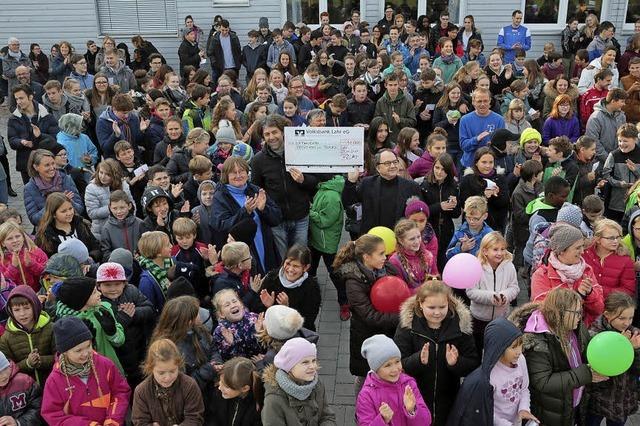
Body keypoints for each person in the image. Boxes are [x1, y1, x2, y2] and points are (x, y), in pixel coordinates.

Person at [509, 288, 606, 426]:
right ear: (560, 312)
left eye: (581, 311)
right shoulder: (538, 340)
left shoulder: (577, 328)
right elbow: (543, 382)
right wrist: (586, 374)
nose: (580, 316)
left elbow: (587, 353)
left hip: (572, 405)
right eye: (576, 313)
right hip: (551, 412)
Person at [394, 280, 479, 426]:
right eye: (431, 307)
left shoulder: (460, 328)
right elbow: (397, 364)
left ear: (449, 303)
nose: (437, 312)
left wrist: (456, 363)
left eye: (442, 307)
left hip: (449, 399)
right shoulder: (407, 327)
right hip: (416, 397)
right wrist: (418, 360)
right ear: (420, 304)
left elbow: (473, 364)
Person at [332, 234, 400, 391]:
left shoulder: (385, 269)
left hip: (386, 329)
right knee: (365, 376)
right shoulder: (353, 281)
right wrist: (400, 317)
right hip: (366, 335)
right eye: (381, 253)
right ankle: (360, 411)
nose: (386, 257)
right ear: (366, 257)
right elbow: (370, 316)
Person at [447, 317, 538, 426]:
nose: (519, 351)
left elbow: (524, 389)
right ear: (498, 347)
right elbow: (486, 411)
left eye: (520, 345)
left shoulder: (521, 359)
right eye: (513, 347)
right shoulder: (488, 377)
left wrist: (524, 409)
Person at [41, 316, 130, 425]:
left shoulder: (105, 364)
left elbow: (121, 391)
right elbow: (52, 414)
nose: (86, 353)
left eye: (88, 346)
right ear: (64, 352)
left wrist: (113, 419)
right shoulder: (54, 380)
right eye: (78, 350)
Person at [252, 115, 316, 258]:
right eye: (267, 134)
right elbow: (256, 188)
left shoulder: (300, 153)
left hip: (300, 216)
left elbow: (314, 183)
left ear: (283, 132)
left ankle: (300, 280)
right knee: (282, 258)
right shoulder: (258, 161)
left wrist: (303, 179)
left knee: (300, 257)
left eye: (274, 132)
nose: (271, 137)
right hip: (276, 219)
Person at [213, 156, 282, 274]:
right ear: (226, 176)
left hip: (265, 246)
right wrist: (245, 212)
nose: (238, 175)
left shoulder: (255, 190)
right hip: (241, 255)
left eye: (241, 171)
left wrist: (264, 209)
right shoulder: (220, 197)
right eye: (234, 173)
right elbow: (221, 226)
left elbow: (277, 218)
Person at [530, 224, 604, 325]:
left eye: (583, 246)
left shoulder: (586, 270)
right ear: (561, 251)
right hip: (553, 332)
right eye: (577, 248)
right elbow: (543, 311)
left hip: (581, 330)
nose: (582, 252)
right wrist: (578, 296)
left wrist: (590, 293)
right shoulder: (542, 275)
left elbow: (599, 309)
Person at [96, 262, 155, 388]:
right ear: (99, 286)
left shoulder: (132, 291)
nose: (113, 289)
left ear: (124, 283)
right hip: (117, 356)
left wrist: (134, 314)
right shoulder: (97, 302)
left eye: (117, 284)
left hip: (139, 349)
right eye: (107, 285)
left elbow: (149, 309)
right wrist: (123, 318)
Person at [587, 292, 640, 426]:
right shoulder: (595, 334)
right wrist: (626, 348)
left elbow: (637, 368)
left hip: (623, 400)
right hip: (599, 399)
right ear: (607, 314)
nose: (627, 323)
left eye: (631, 318)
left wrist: (636, 350)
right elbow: (605, 366)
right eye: (621, 318)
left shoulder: (634, 334)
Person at [356, 334, 432, 425]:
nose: (395, 369)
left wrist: (412, 410)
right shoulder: (366, 395)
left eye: (397, 361)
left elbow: (426, 422)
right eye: (388, 365)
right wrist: (382, 420)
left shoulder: (408, 384)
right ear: (376, 369)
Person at [343, 149, 421, 234]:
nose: (392, 166)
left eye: (395, 162)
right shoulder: (367, 183)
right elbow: (348, 202)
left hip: (401, 237)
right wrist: (351, 182)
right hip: (373, 237)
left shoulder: (411, 186)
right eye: (387, 163)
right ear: (378, 168)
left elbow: (420, 213)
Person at [261, 337, 335, 425]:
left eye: (313, 360)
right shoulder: (274, 400)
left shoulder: (317, 383)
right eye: (305, 362)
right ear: (289, 367)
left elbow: (327, 416)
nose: (313, 366)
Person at [131, 338, 205, 425]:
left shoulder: (189, 385)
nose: (168, 377)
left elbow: (195, 418)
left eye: (173, 371)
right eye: (161, 373)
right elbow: (139, 422)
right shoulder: (141, 391)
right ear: (150, 368)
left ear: (178, 365)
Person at [466, 232, 519, 350]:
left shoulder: (509, 266)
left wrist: (505, 296)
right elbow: (471, 292)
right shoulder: (476, 267)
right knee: (478, 347)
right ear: (485, 251)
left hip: (501, 318)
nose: (500, 253)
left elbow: (514, 287)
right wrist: (492, 297)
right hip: (479, 318)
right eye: (495, 249)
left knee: (497, 348)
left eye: (502, 249)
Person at [307, 177, 347, 317]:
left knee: (334, 272)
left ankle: (344, 303)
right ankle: (312, 290)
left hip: (326, 242)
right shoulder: (324, 187)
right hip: (317, 238)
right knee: (311, 268)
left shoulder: (331, 196)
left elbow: (325, 221)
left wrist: (309, 211)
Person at [0, 285, 55, 385]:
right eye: (16, 310)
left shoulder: (51, 328)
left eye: (27, 308)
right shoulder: (5, 339)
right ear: (10, 311)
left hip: (53, 385)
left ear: (35, 306)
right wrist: (27, 363)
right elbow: (8, 370)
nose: (22, 314)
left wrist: (41, 361)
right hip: (26, 392)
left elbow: (60, 358)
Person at [8, 85, 60, 184]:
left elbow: (55, 138)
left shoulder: (46, 115)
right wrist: (21, 142)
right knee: (31, 194)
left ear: (30, 97)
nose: (18, 102)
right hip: (26, 163)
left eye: (21, 98)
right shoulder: (14, 118)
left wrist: (40, 136)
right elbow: (12, 140)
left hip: (46, 163)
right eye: (16, 99)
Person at [23, 149, 83, 226]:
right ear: (36, 167)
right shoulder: (30, 188)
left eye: (53, 163)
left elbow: (80, 209)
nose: (52, 168)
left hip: (71, 226)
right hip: (48, 230)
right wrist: (53, 204)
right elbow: (34, 220)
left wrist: (70, 202)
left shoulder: (66, 179)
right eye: (47, 165)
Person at [459, 147, 510, 232]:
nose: (488, 166)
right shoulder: (468, 179)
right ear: (476, 162)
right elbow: (464, 203)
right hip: (473, 227)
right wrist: (483, 196)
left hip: (495, 227)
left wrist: (496, 195)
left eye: (491, 162)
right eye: (484, 162)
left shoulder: (500, 178)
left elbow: (505, 203)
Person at [583, 219, 635, 299]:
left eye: (618, 237)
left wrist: (599, 290)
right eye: (611, 238)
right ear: (598, 239)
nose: (615, 241)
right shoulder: (584, 255)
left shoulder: (625, 260)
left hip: (611, 307)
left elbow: (628, 290)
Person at [459, 88, 505, 169]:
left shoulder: (499, 120)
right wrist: (476, 139)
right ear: (473, 102)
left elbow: (501, 148)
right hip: (470, 165)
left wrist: (494, 145)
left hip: (490, 166)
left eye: (485, 101)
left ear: (490, 101)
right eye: (479, 101)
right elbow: (463, 146)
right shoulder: (465, 120)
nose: (482, 104)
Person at [211, 289, 263, 360]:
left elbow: (265, 344)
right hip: (242, 365)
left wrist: (259, 333)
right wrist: (230, 344)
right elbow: (224, 358)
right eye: (227, 305)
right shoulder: (220, 331)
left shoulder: (254, 318)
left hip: (261, 359)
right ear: (221, 314)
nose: (233, 306)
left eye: (234, 301)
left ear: (241, 304)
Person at [602, 124, 640, 220]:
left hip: (636, 203)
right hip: (616, 204)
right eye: (619, 141)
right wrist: (618, 183)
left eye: (625, 141)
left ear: (635, 139)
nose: (622, 144)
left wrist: (636, 170)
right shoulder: (614, 155)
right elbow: (606, 175)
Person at [388, 218, 438, 292]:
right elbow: (399, 290)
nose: (417, 241)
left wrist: (435, 283)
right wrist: (421, 290)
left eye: (418, 237)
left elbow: (435, 275)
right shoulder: (395, 261)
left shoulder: (428, 255)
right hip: (409, 300)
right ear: (401, 241)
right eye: (412, 239)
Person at [213, 357, 262, 426]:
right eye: (220, 381)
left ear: (244, 388)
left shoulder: (258, 409)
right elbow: (212, 417)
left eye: (226, 386)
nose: (219, 388)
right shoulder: (219, 394)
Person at [0, 221, 48, 291]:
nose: (15, 240)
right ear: (3, 243)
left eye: (18, 236)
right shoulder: (2, 261)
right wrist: (13, 267)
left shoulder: (36, 252)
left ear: (23, 237)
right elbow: (4, 286)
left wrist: (32, 264)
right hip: (15, 298)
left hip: (39, 292)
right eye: (9, 238)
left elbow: (47, 274)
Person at [96, 93, 146, 158]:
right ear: (114, 109)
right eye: (124, 113)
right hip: (115, 162)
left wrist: (142, 131)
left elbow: (138, 141)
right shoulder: (102, 122)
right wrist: (116, 135)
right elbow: (106, 149)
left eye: (129, 112)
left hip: (133, 157)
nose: (127, 116)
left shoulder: (133, 117)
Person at [585, 88, 628, 163]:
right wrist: (609, 159)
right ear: (613, 101)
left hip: (618, 160)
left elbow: (624, 136)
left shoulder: (621, 116)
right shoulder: (595, 118)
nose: (624, 104)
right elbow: (593, 141)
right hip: (599, 162)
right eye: (622, 101)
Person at [0, 350, 42, 425]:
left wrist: (18, 422)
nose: (4, 375)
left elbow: (39, 408)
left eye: (5, 368)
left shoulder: (25, 382)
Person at [374, 72, 416, 144]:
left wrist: (400, 120)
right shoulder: (380, 102)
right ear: (385, 85)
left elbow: (413, 122)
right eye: (390, 85)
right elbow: (376, 121)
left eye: (395, 85)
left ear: (398, 85)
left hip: (402, 140)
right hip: (385, 141)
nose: (393, 87)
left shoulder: (407, 102)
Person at [137, 230, 173, 313]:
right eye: (168, 245)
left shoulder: (172, 262)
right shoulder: (146, 281)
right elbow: (149, 308)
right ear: (158, 252)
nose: (171, 246)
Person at [207, 19, 242, 85]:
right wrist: (214, 63)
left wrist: (239, 61)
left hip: (233, 67)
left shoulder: (234, 37)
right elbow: (210, 52)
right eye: (223, 30)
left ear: (229, 28)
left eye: (226, 30)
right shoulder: (215, 39)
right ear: (220, 28)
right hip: (220, 67)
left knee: (234, 85)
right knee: (221, 85)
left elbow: (238, 50)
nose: (225, 32)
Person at [621, 57, 640, 124]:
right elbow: (619, 98)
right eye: (632, 68)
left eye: (637, 67)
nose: (635, 70)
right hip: (627, 116)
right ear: (629, 68)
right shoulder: (623, 80)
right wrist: (631, 89)